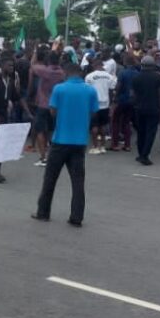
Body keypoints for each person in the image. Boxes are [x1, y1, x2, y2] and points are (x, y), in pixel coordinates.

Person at [31, 62, 98, 227]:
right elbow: (93, 111)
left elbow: (52, 111)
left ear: (67, 73)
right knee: (78, 181)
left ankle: (43, 212)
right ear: (80, 73)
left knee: (50, 179)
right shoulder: (90, 90)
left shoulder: (60, 89)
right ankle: (76, 217)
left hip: (61, 140)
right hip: (80, 141)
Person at [0, 57, 32, 183]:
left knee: (0, 145)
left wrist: (28, 112)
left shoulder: (10, 81)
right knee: (0, 145)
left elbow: (18, 97)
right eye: (9, 65)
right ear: (2, 66)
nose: (11, 68)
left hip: (4, 116)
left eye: (12, 66)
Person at [30, 50, 65, 166]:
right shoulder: (61, 72)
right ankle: (50, 155)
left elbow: (33, 65)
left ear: (48, 60)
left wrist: (35, 53)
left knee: (40, 130)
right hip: (55, 105)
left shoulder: (44, 70)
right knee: (50, 130)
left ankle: (43, 157)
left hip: (42, 104)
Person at [132, 56, 160, 166]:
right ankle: (145, 156)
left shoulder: (136, 77)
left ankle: (140, 154)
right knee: (150, 133)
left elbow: (132, 95)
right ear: (153, 66)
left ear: (142, 65)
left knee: (141, 132)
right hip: (153, 108)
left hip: (138, 108)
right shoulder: (158, 77)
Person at [84, 59, 116, 155]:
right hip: (105, 104)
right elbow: (111, 91)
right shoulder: (109, 76)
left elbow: (87, 91)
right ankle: (102, 146)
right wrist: (110, 103)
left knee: (94, 125)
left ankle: (95, 146)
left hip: (93, 104)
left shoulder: (89, 76)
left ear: (94, 65)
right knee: (102, 125)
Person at [109, 55, 138, 152]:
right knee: (127, 122)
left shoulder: (122, 73)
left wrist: (114, 97)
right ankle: (127, 145)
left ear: (126, 62)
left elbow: (118, 87)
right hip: (132, 101)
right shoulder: (137, 73)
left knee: (115, 121)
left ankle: (115, 144)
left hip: (121, 100)